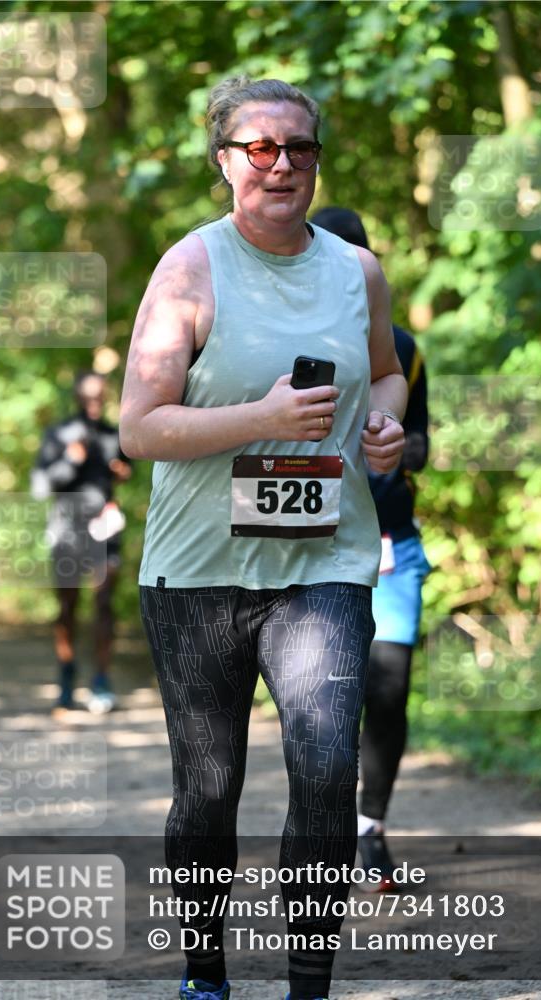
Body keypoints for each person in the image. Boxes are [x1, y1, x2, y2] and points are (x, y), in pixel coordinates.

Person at [120, 76, 407, 1000]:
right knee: (209, 786)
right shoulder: (188, 270)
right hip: (199, 571)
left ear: (317, 159)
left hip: (324, 562)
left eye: (299, 147)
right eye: (259, 147)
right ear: (225, 161)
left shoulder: (357, 271)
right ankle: (205, 974)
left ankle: (307, 985)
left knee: (325, 769)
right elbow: (140, 428)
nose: (281, 164)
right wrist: (263, 418)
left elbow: (386, 373)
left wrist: (385, 425)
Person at [311, 208, 431, 889]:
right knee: (324, 696)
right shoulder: (285, 340)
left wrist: (392, 440)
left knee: (388, 691)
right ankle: (319, 830)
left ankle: (370, 828)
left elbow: (422, 442)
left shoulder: (405, 349)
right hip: (311, 546)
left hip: (390, 544)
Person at [31, 371, 132, 714]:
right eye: (88, 398)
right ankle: (66, 676)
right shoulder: (59, 435)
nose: (94, 404)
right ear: (77, 397)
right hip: (67, 530)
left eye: (99, 398)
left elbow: (124, 468)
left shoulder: (113, 435)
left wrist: (121, 473)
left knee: (104, 604)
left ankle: (101, 680)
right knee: (68, 606)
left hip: (104, 529)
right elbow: (41, 487)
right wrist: (70, 460)